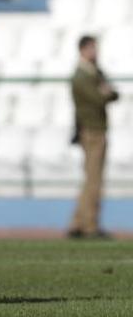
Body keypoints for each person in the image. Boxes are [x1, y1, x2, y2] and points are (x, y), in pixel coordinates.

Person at [68, 35, 118, 240]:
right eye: (92, 48)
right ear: (83, 50)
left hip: (95, 128)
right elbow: (100, 97)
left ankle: (78, 222)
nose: (95, 52)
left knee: (90, 178)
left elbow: (112, 93)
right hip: (92, 130)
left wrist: (107, 92)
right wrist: (106, 93)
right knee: (94, 179)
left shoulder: (94, 72)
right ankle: (90, 225)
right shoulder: (81, 76)